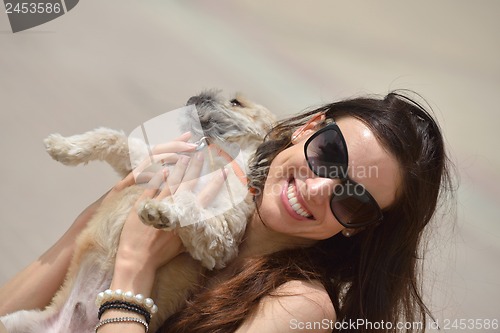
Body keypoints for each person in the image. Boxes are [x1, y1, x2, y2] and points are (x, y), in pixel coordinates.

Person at [0, 91, 453, 333]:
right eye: (329, 154)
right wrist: (96, 219)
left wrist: (133, 274)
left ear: (363, 227)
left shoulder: (299, 307)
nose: (317, 189)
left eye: (353, 198)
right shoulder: (199, 179)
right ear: (309, 129)